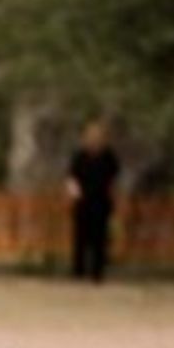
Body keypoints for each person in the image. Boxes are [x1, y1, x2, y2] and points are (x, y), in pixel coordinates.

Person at [66, 120, 120, 282]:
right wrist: (74, 193)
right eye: (91, 136)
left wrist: (113, 195)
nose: (94, 140)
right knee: (80, 237)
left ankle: (97, 273)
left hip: (102, 201)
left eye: (98, 136)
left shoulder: (109, 156)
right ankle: (78, 272)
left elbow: (114, 178)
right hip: (82, 202)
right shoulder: (79, 156)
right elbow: (71, 177)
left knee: (100, 238)